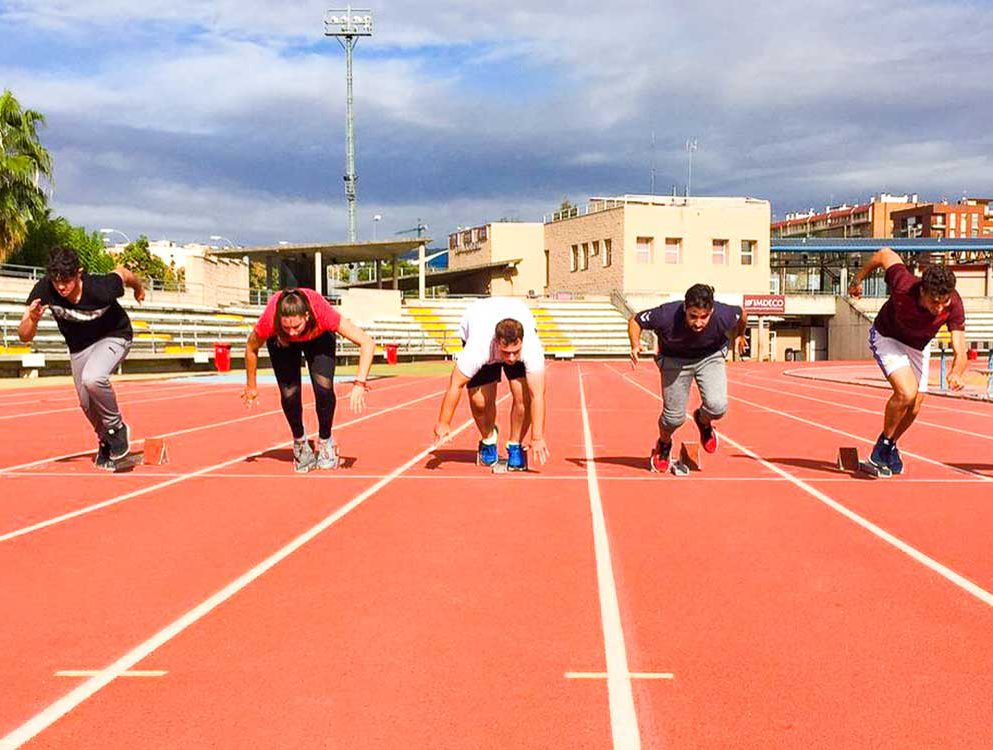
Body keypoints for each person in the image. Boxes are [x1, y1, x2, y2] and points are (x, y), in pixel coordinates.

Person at [19, 246, 145, 469]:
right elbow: (24, 336)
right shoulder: (45, 289)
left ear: (79, 273)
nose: (60, 286)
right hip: (79, 347)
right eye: (56, 280)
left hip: (114, 335)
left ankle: (117, 429)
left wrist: (138, 288)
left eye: (66, 280)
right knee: (86, 402)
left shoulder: (101, 288)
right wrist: (33, 319)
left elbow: (123, 273)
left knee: (93, 378)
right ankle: (105, 440)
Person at [849, 248, 966, 474]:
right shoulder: (904, 283)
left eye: (944, 302)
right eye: (934, 302)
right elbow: (885, 254)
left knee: (915, 405)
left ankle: (890, 445)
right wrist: (858, 279)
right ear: (922, 291)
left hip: (918, 346)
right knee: (906, 392)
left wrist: (956, 372)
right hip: (887, 336)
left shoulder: (954, 305)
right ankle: (880, 450)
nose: (939, 308)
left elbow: (960, 348)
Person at [242, 288, 376, 473]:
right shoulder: (270, 321)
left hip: (319, 337)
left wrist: (360, 383)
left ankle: (326, 441)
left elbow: (367, 342)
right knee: (289, 393)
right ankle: (300, 443)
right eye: (287, 327)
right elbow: (251, 347)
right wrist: (251, 386)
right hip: (281, 342)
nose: (293, 333)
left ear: (306, 316)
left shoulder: (322, 312)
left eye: (296, 327)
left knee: (323, 389)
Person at [628, 283, 747, 473]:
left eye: (704, 317)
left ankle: (703, 420)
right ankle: (664, 445)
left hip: (710, 357)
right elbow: (635, 320)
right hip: (675, 361)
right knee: (674, 419)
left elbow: (741, 313)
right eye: (693, 316)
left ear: (712, 310)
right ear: (684, 308)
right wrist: (635, 344)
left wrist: (740, 335)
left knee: (718, 406)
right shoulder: (666, 315)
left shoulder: (723, 314)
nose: (698, 323)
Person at [432, 297, 548, 471]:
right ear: (496, 343)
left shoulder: (532, 348)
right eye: (506, 352)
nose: (510, 358)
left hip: (515, 312)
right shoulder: (478, 348)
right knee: (480, 403)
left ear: (522, 342)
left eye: (515, 352)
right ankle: (488, 439)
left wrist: (537, 437)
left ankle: (515, 445)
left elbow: (537, 395)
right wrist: (444, 422)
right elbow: (455, 384)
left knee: (523, 397)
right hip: (477, 320)